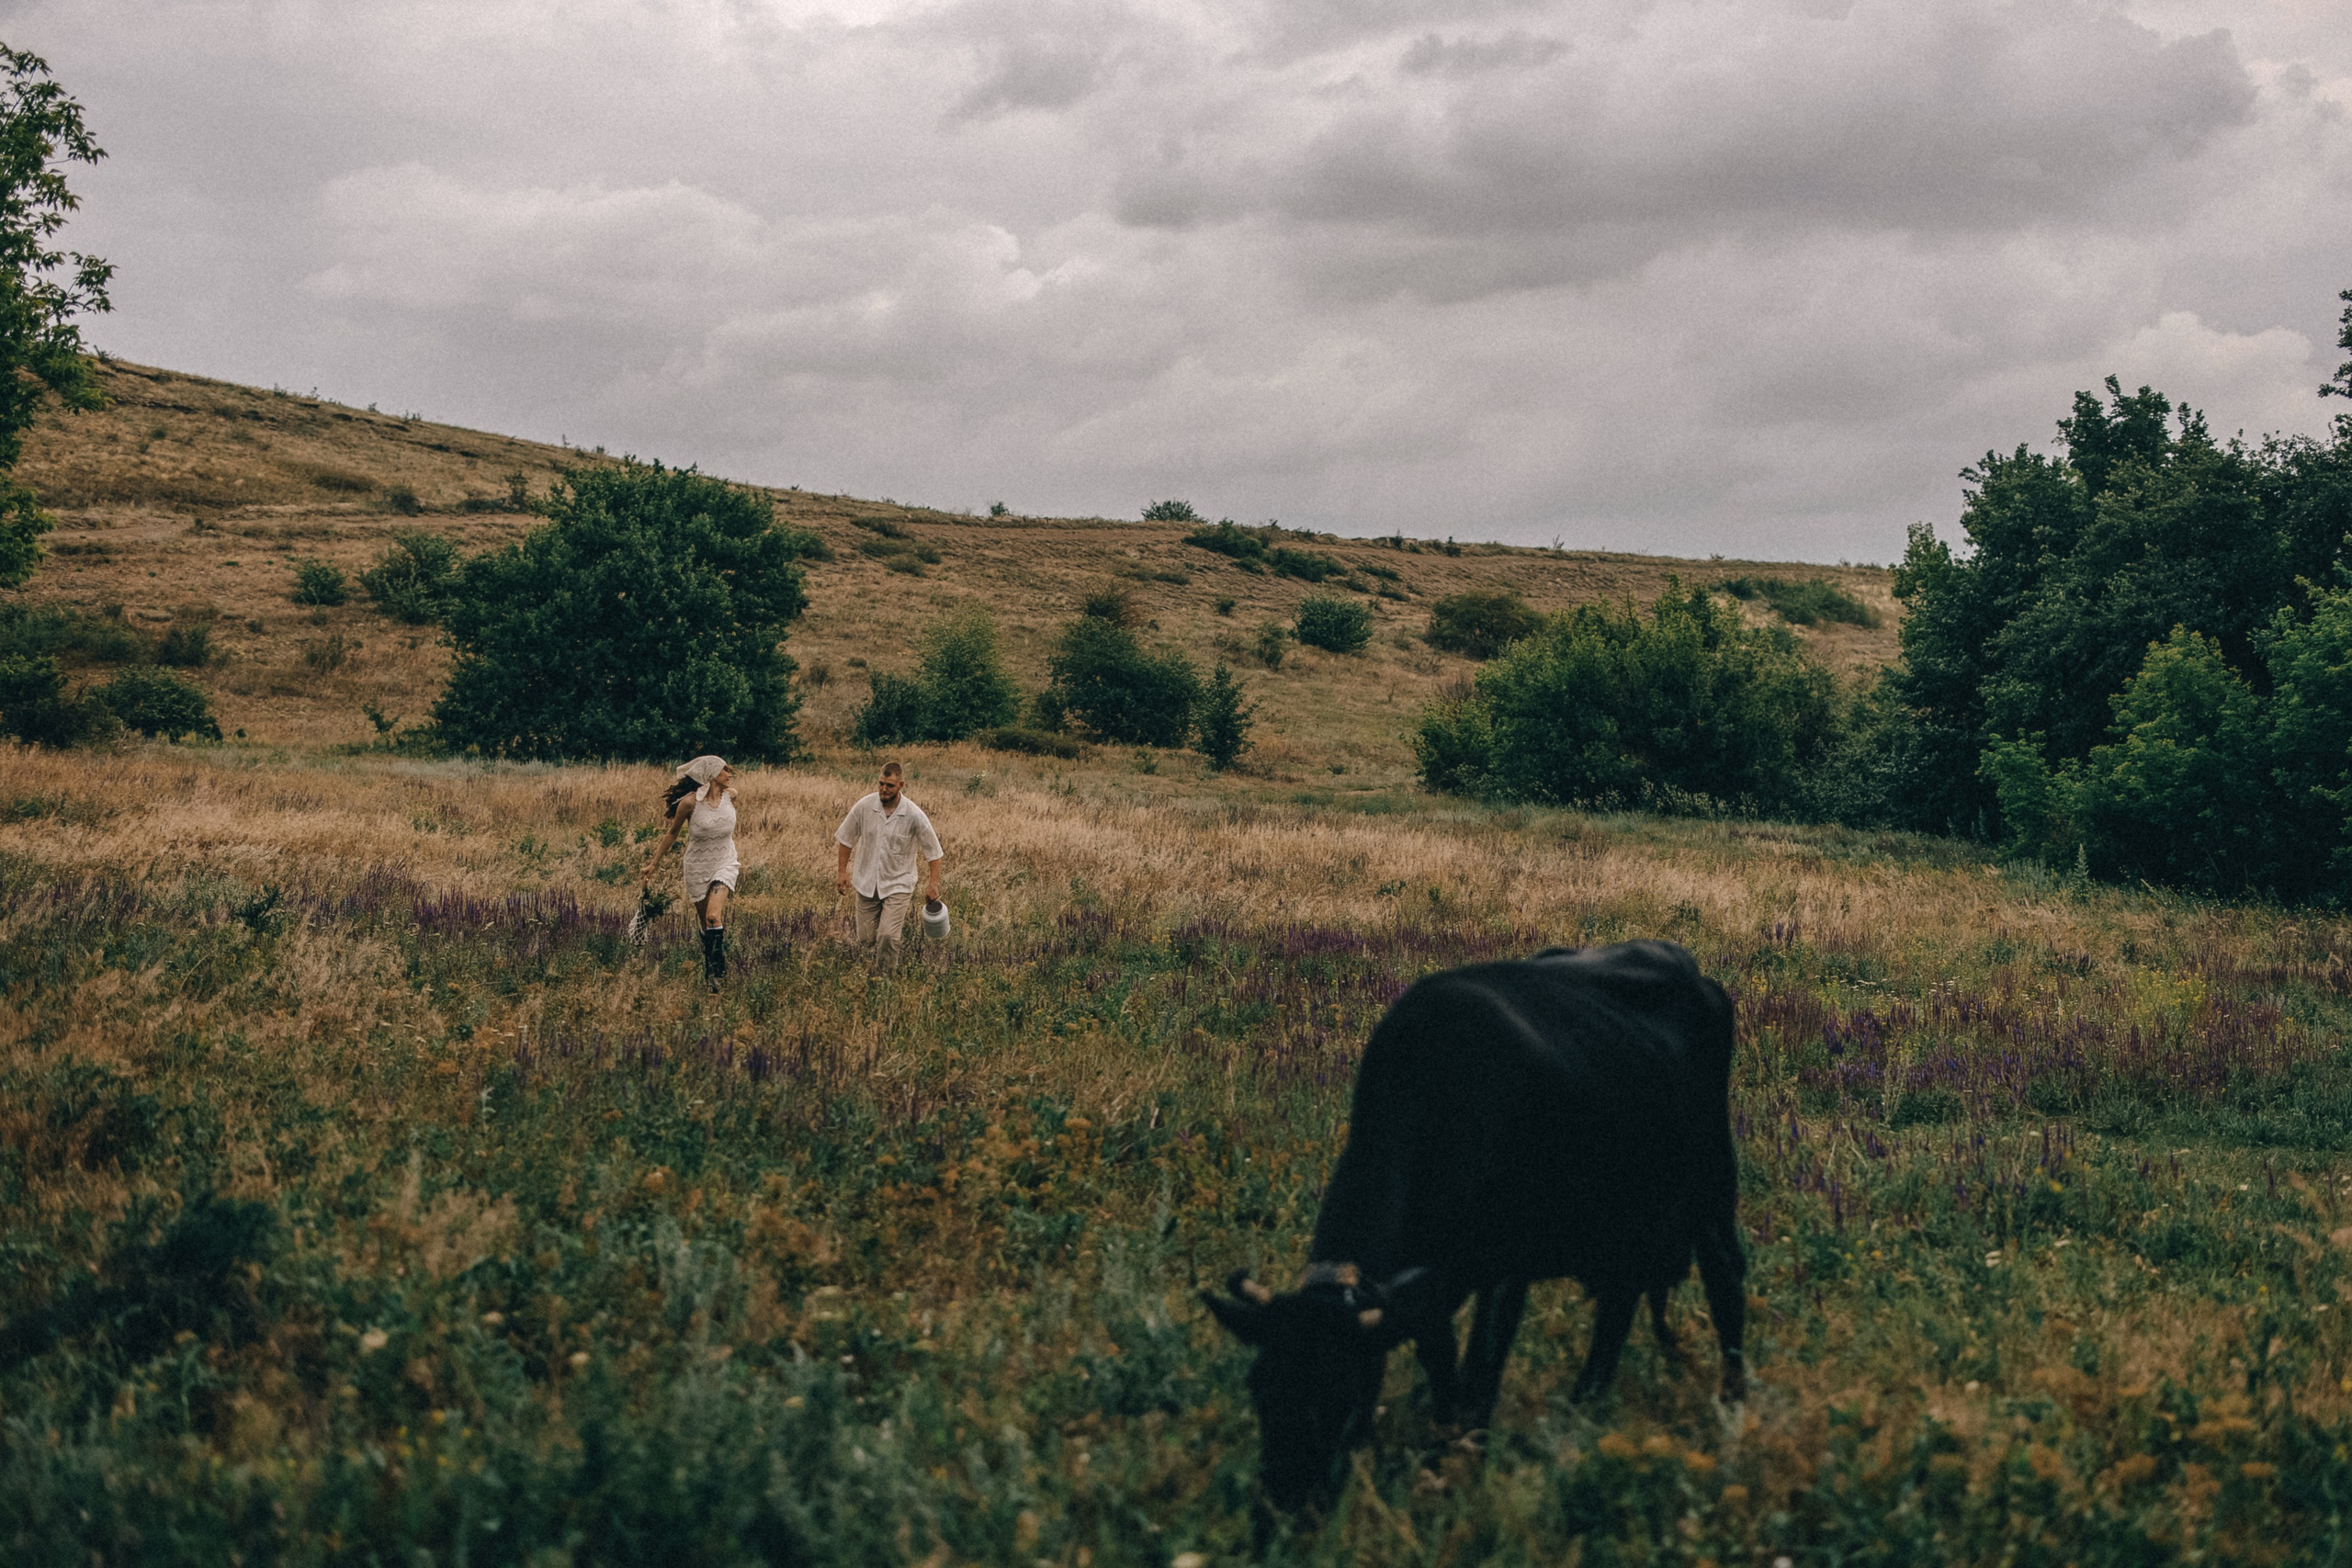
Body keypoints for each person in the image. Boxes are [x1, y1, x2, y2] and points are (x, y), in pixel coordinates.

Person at [643, 754, 740, 989]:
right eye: (725, 770)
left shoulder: (731, 795)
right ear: (712, 774)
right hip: (697, 867)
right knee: (706, 925)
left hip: (725, 862)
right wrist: (654, 863)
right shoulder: (689, 803)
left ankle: (718, 975)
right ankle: (711, 974)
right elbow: (673, 833)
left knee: (713, 916)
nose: (729, 775)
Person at [833, 761, 943, 967]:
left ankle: (885, 978)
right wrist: (841, 873)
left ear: (901, 785)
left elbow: (934, 852)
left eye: (890, 785)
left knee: (888, 936)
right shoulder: (864, 807)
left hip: (898, 884)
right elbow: (846, 839)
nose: (884, 789)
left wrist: (933, 884)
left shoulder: (914, 815)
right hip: (866, 882)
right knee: (866, 939)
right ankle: (869, 971)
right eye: (881, 783)